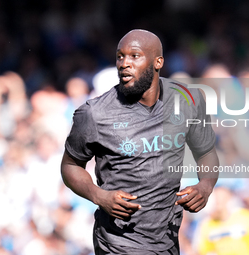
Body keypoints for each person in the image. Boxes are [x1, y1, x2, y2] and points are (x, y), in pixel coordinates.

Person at [61, 29, 219, 255]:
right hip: (117, 243)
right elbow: (69, 165)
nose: (124, 63)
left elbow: (206, 153)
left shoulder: (187, 101)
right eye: (119, 56)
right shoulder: (94, 114)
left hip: (167, 242)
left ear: (158, 62)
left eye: (134, 56)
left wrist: (205, 186)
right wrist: (99, 196)